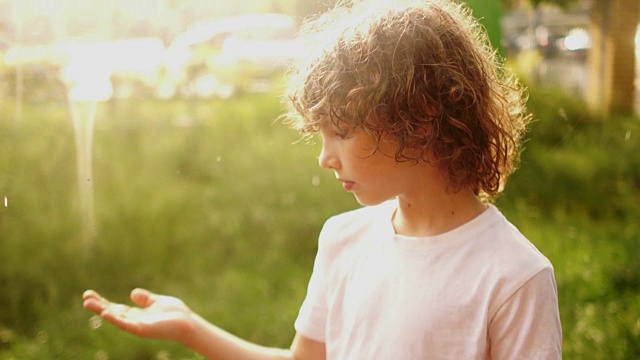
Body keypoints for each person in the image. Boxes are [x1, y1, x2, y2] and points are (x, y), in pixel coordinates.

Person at [82, 0, 563, 359]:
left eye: (341, 132)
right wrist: (191, 328)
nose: (324, 159)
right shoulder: (343, 239)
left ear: (418, 119)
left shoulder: (514, 278)